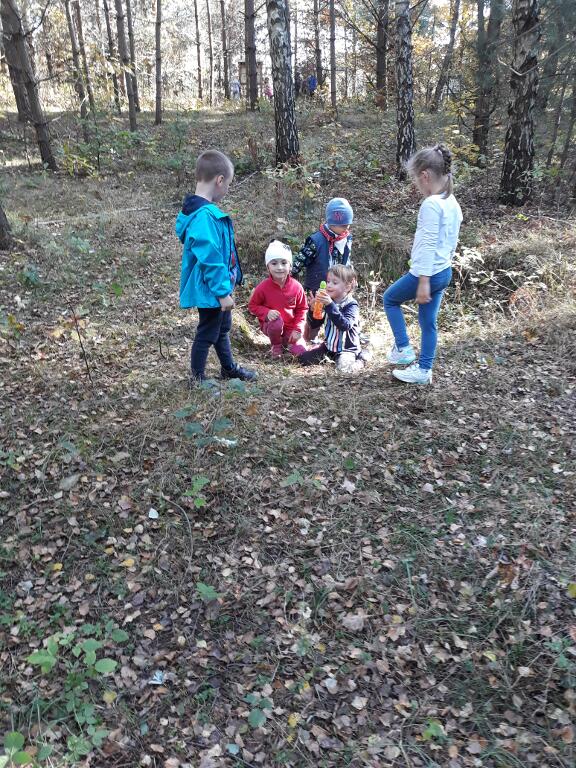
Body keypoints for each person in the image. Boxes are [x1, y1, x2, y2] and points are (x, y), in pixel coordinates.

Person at [383, 143, 463, 385]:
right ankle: (424, 370)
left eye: (416, 179)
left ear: (425, 175)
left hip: (427, 273)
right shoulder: (451, 202)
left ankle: (403, 348)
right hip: (444, 271)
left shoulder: (432, 204)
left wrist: (424, 281)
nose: (416, 184)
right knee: (428, 322)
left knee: (390, 299)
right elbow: (451, 241)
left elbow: (428, 244)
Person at [176, 149, 258, 383]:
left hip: (217, 286)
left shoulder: (201, 212)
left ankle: (228, 368)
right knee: (207, 332)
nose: (227, 189)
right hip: (211, 289)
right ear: (220, 180)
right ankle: (197, 378)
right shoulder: (204, 217)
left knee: (222, 328)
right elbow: (210, 258)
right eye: (228, 185)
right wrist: (222, 293)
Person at [291, 197, 353, 341]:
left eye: (348, 224)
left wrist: (350, 276)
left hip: (338, 284)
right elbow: (301, 259)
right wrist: (290, 275)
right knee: (316, 312)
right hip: (318, 284)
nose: (346, 228)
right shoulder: (316, 240)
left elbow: (347, 259)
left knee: (336, 310)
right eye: (343, 225)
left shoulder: (346, 238)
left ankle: (334, 338)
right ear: (332, 223)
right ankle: (309, 338)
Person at [298, 265, 365, 374]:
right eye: (328, 281)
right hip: (329, 347)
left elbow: (345, 325)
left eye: (334, 282)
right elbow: (315, 324)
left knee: (344, 370)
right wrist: (313, 309)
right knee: (303, 359)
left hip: (347, 349)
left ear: (347, 287)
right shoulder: (327, 302)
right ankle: (329, 356)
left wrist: (329, 305)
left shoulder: (351, 305)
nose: (329, 285)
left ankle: (362, 359)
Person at [248, 240, 308, 358]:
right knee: (276, 321)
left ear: (290, 266)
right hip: (271, 325)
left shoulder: (297, 287)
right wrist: (266, 312)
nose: (279, 267)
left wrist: (298, 329)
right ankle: (276, 345)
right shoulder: (263, 287)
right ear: (268, 267)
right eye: (274, 263)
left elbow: (302, 309)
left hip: (290, 327)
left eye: (284, 263)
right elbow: (252, 306)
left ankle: (286, 342)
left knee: (301, 353)